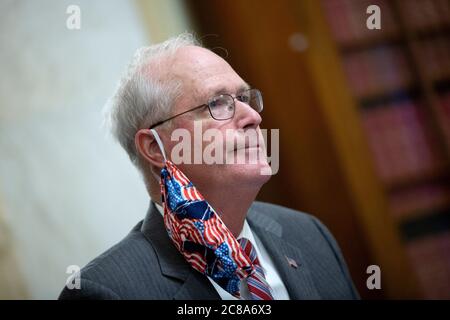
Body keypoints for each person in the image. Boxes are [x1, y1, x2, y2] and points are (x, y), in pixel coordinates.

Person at [59, 33, 359, 300]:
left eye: (244, 98)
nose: (252, 117)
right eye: (217, 103)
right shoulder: (106, 291)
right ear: (156, 148)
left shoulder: (309, 233)